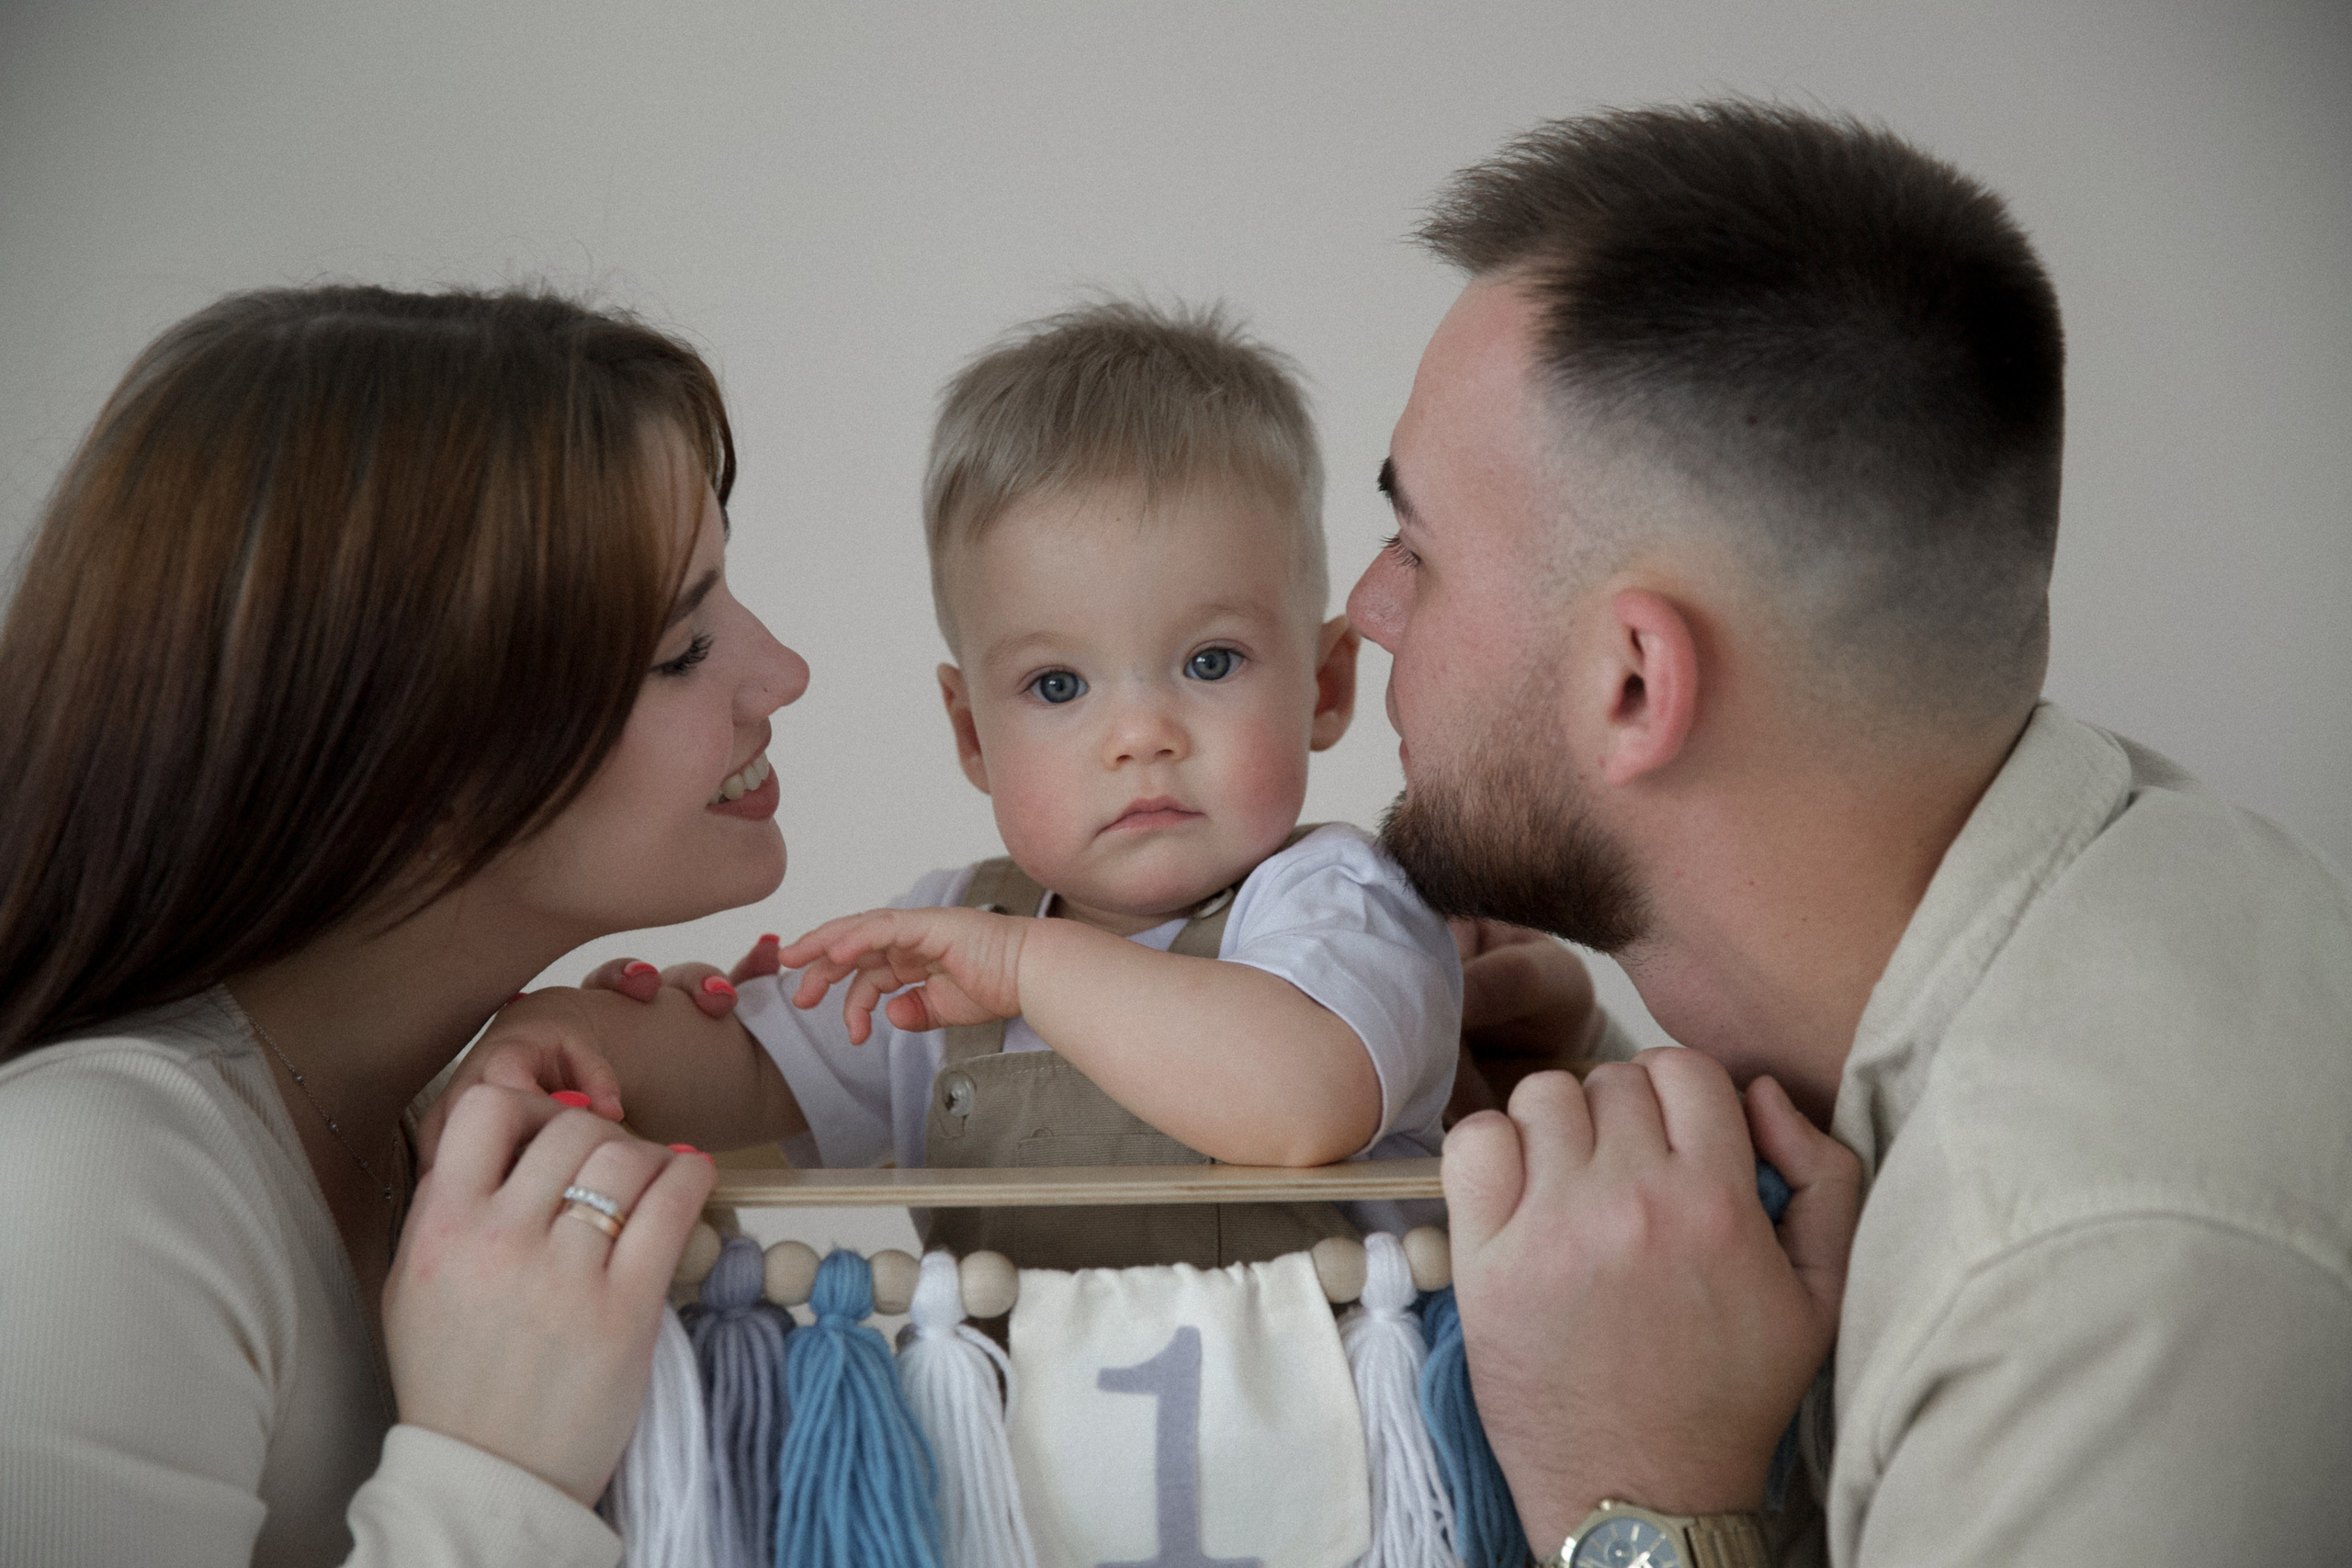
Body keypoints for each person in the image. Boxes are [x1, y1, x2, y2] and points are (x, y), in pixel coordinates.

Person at [1346, 101, 2352, 1565]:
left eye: (1416, 550)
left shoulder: (2104, 1272)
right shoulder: (2097, 914)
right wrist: (1626, 1115)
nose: (1365, 611)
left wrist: (1635, 1499)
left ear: (1634, 681)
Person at [0, 286, 810, 1565]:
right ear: (404, 746)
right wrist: (497, 1477)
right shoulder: (82, 1194)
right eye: (680, 643)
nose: (781, 671)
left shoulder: (439, 1139)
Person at [461, 300, 1464, 1270]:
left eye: (1210, 662)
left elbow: (1301, 1099)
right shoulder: (952, 925)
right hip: (1008, 1446)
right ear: (970, 733)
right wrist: (567, 1038)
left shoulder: (1341, 902)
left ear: (1326, 686)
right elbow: (751, 1070)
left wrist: (1027, 969)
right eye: (1057, 685)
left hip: (1322, 1443)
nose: (1140, 737)